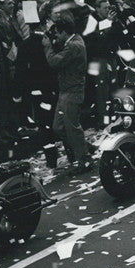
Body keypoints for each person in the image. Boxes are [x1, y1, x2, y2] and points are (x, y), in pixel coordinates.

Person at [42, 12, 92, 172]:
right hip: (66, 90)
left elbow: (54, 62)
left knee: (72, 127)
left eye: (57, 32)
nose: (55, 35)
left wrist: (48, 47)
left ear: (64, 32)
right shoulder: (74, 40)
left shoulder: (74, 46)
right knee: (59, 127)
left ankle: (84, 160)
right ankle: (84, 147)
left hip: (73, 91)